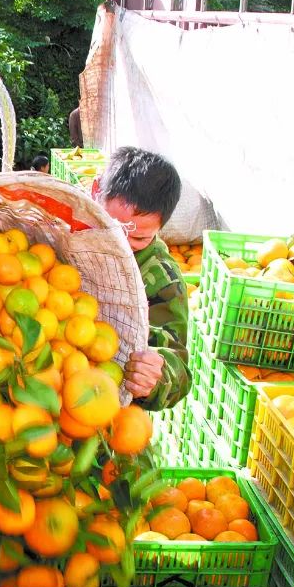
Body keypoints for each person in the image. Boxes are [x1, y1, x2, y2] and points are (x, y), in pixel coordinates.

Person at [92, 147, 190, 411]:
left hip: (102, 402)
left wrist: (157, 377)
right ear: (96, 193)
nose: (121, 243)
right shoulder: (69, 226)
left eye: (137, 238)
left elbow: (178, 366)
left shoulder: (160, 278)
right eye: (112, 226)